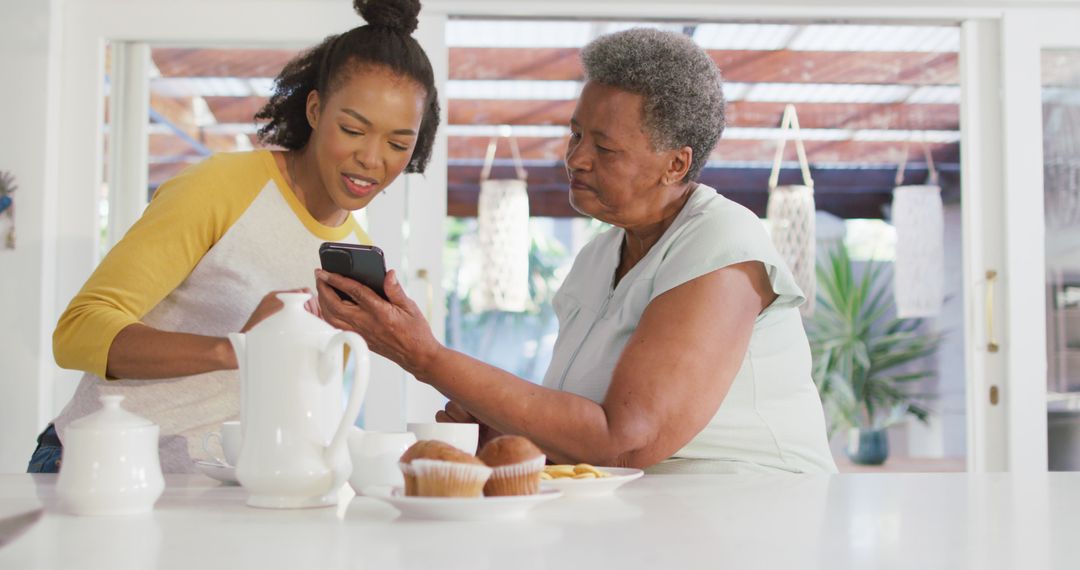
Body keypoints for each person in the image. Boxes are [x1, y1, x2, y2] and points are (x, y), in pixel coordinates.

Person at [315, 27, 837, 474]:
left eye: (604, 148)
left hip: (756, 514)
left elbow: (627, 440)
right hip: (649, 521)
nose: (576, 158)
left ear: (676, 165)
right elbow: (582, 431)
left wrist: (424, 356)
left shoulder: (723, 240)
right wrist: (497, 428)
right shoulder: (596, 258)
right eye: (576, 134)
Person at [30, 0, 440, 474]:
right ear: (314, 109)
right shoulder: (222, 187)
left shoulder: (352, 249)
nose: (372, 158)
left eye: (397, 144)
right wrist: (236, 349)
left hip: (217, 492)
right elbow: (77, 331)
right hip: (98, 466)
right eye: (352, 129)